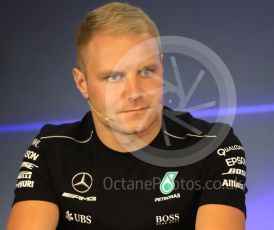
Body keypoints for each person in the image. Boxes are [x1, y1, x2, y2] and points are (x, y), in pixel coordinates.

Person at [7, 2, 247, 229]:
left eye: (146, 71)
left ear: (161, 68)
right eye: (113, 77)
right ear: (82, 83)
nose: (134, 93)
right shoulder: (51, 150)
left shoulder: (214, 146)